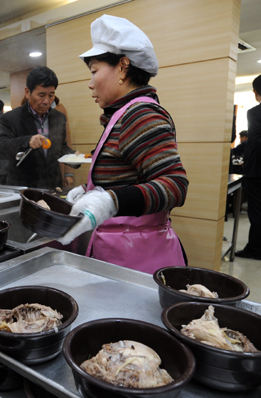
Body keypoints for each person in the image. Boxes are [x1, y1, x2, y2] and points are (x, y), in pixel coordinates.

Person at [57, 14, 189, 275]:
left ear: (123, 67)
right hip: (122, 252)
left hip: (138, 259)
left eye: (94, 71)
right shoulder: (121, 114)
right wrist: (90, 191)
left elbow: (175, 185)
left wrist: (111, 202)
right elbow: (126, 177)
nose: (90, 82)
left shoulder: (141, 115)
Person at [0, 66, 77, 189]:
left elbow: (61, 146)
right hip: (25, 189)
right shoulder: (11, 118)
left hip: (52, 186)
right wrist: (27, 141)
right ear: (27, 92)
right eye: (41, 95)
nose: (46, 101)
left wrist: (74, 157)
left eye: (51, 95)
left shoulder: (59, 117)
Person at [235, 72, 261, 260]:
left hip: (259, 170)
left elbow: (257, 139)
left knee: (258, 212)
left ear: (255, 92)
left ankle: (255, 249)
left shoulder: (254, 112)